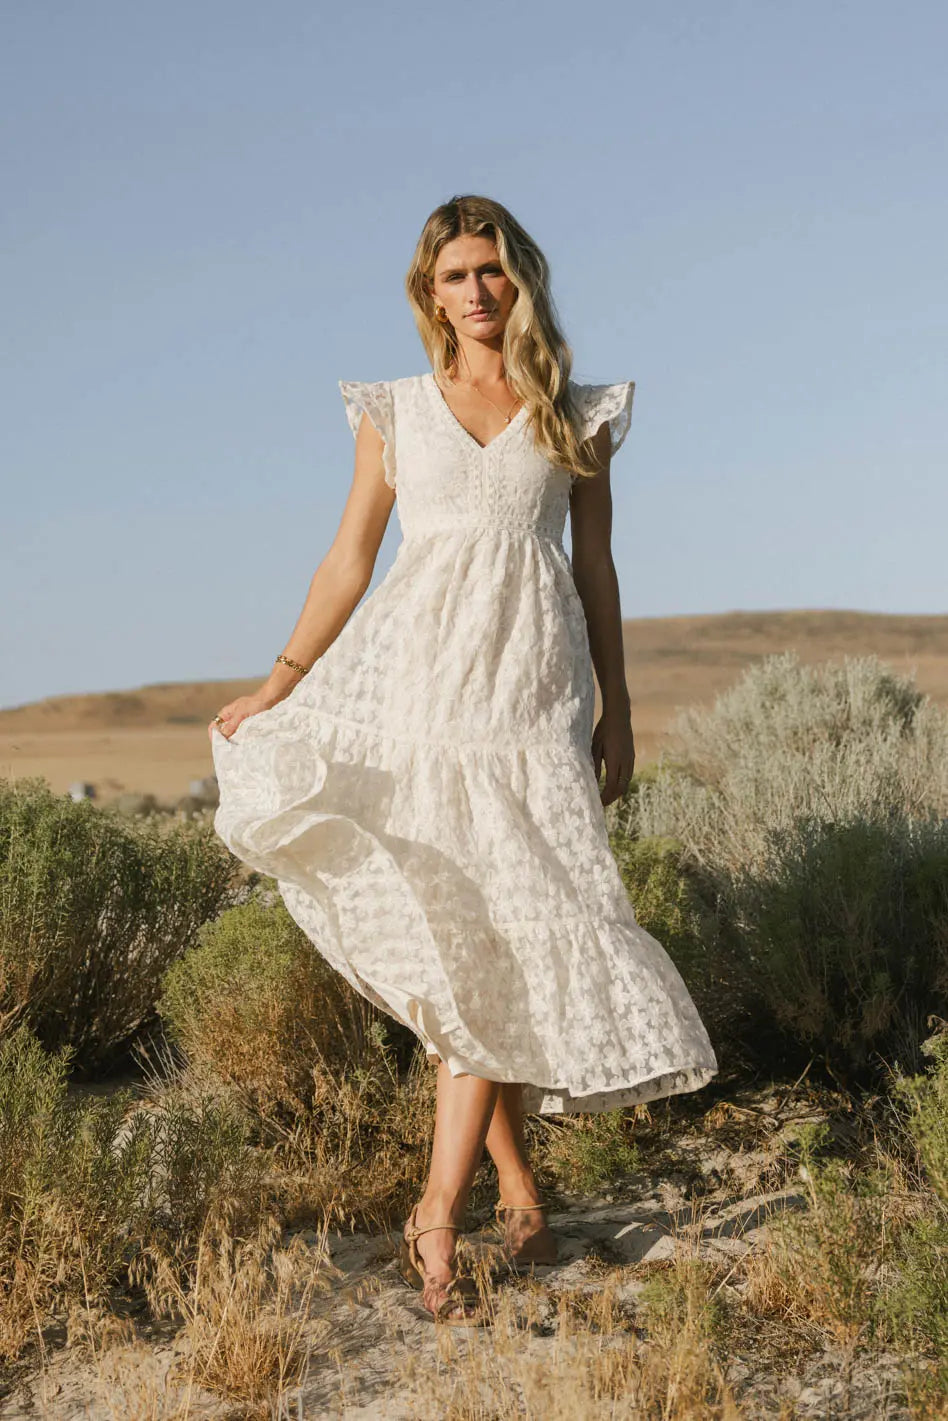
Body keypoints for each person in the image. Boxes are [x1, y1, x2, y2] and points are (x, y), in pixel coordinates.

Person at [208, 194, 718, 1326]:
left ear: (519, 278)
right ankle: (468, 1203)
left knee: (508, 941)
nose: (476, 291)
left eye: (491, 270)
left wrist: (619, 706)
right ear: (429, 293)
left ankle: (466, 1202)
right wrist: (279, 683)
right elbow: (349, 560)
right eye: (455, 276)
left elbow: (596, 569)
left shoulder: (575, 412)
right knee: (465, 955)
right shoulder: (395, 410)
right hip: (421, 703)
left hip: (529, 708)